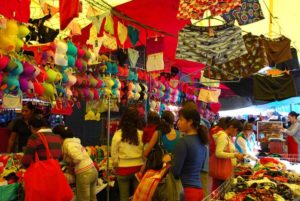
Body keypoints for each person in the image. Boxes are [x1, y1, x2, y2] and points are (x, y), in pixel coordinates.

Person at [171, 103, 208, 201]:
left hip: (186, 192)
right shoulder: (202, 141)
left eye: (181, 119)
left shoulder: (183, 142)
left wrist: (170, 161)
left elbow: (176, 172)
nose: (178, 122)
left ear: (190, 122)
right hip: (199, 191)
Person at [53, 125, 98, 201]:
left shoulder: (68, 144)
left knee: (83, 199)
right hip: (92, 170)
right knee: (92, 198)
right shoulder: (75, 142)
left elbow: (78, 157)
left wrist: (71, 165)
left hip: (84, 173)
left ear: (58, 136)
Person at [111, 106, 144, 201]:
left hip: (122, 169)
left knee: (123, 197)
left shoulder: (118, 134)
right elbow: (144, 152)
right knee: (138, 197)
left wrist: (116, 165)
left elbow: (114, 153)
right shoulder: (141, 134)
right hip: (138, 168)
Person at [210, 119, 244, 191]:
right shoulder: (223, 136)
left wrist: (235, 154)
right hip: (222, 170)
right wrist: (234, 155)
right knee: (219, 192)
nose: (236, 134)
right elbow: (218, 153)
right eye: (237, 131)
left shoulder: (227, 136)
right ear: (231, 127)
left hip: (225, 170)